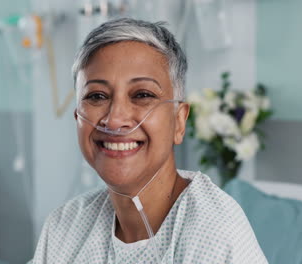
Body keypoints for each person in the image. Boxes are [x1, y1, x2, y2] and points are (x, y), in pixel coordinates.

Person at [31, 18, 268, 264]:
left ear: (179, 121)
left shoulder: (214, 233)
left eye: (143, 95)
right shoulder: (65, 226)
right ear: (77, 117)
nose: (114, 120)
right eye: (97, 96)